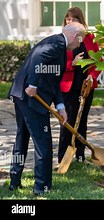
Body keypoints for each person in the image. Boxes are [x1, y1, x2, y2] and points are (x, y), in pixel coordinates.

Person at [7, 22, 86, 195]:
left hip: (21, 94)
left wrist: (60, 106)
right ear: (75, 37)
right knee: (43, 142)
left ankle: (14, 181)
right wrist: (33, 84)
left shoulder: (57, 44)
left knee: (22, 137)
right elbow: (37, 58)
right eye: (81, 40)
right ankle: (42, 188)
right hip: (30, 97)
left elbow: (54, 80)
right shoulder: (58, 45)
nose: (80, 44)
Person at [58, 7, 102, 164]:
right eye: (67, 19)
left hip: (86, 85)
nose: (69, 21)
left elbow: (98, 61)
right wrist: (72, 63)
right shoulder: (62, 39)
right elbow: (59, 63)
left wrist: (92, 76)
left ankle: (80, 156)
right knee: (68, 122)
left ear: (80, 21)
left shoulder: (90, 37)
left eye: (73, 19)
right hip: (69, 86)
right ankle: (63, 157)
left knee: (82, 120)